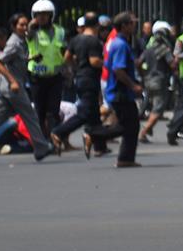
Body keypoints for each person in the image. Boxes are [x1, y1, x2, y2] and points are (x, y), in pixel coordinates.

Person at [0, 14, 55, 163]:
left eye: (26, 24)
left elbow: (16, 59)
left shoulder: (20, 41)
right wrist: (13, 81)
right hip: (12, 87)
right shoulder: (13, 43)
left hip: (6, 87)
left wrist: (31, 59)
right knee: (30, 115)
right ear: (14, 27)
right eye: (21, 25)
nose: (25, 27)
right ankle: (41, 147)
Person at [92, 12, 143, 168]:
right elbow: (118, 70)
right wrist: (133, 85)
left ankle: (125, 158)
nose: (134, 26)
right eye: (132, 23)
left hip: (120, 91)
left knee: (130, 126)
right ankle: (93, 134)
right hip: (120, 92)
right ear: (124, 26)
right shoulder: (120, 45)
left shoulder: (119, 43)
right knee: (128, 125)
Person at [50, 13, 105, 153]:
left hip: (80, 78)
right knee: (84, 113)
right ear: (97, 25)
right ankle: (59, 132)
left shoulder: (76, 40)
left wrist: (77, 66)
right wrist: (108, 64)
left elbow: (67, 57)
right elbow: (94, 61)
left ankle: (100, 146)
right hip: (90, 79)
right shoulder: (94, 41)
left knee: (94, 114)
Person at [27, 0, 67, 136]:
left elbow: (64, 50)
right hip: (37, 77)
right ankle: (41, 140)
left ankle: (54, 137)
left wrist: (67, 69)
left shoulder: (60, 31)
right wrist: (31, 26)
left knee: (53, 111)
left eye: (45, 14)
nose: (42, 17)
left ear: (51, 15)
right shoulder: (32, 32)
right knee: (40, 111)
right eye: (38, 14)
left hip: (55, 76)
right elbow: (27, 35)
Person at [138, 20, 175, 143]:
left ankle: (148, 127)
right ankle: (144, 131)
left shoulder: (148, 49)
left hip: (148, 80)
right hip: (159, 80)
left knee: (153, 104)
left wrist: (143, 74)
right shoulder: (164, 49)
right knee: (158, 109)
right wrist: (178, 59)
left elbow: (138, 62)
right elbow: (172, 64)